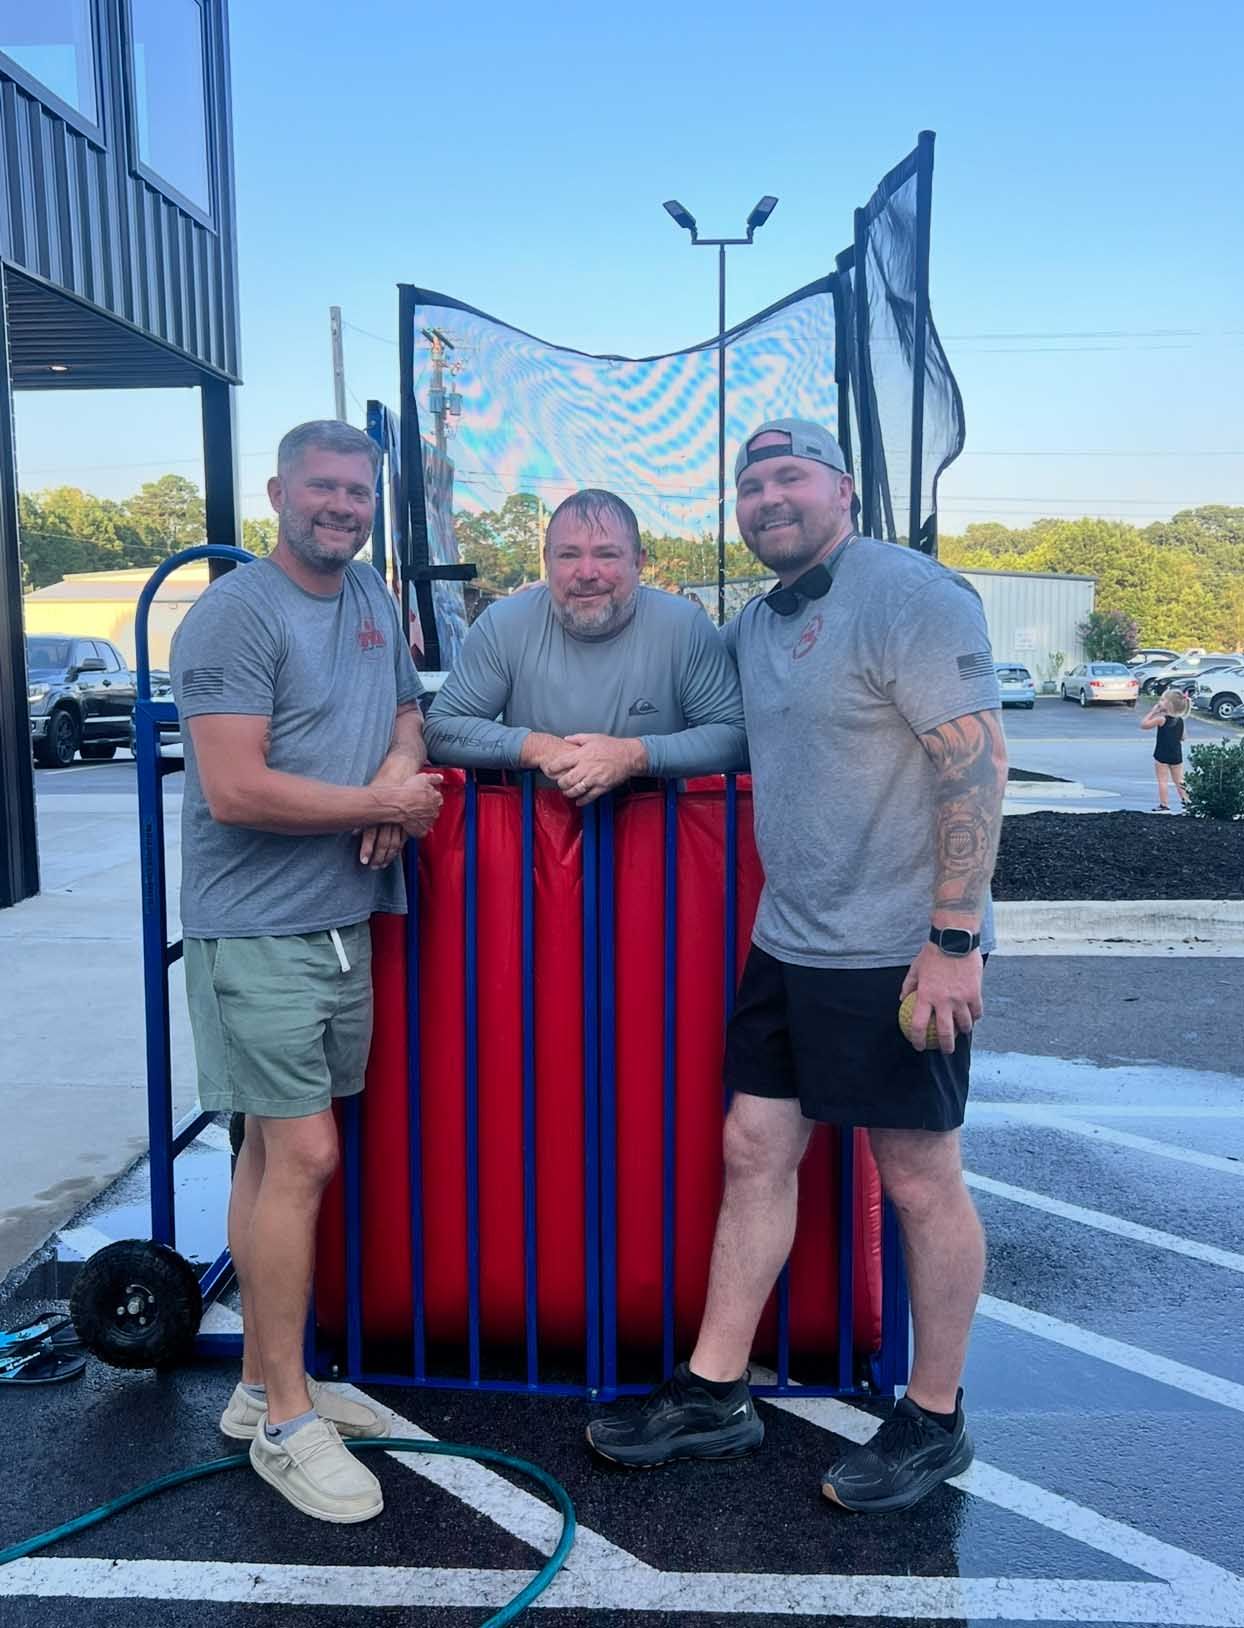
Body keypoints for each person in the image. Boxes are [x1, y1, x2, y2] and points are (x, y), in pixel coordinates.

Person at [587, 418, 1009, 1515]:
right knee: (754, 1147)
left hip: (898, 950)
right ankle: (715, 1391)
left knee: (919, 1174)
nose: (768, 496)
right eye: (751, 483)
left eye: (790, 476)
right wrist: (619, 749)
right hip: (792, 939)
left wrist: (954, 939)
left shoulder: (910, 594)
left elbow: (977, 761)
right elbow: (731, 737)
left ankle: (935, 1415)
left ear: (843, 488)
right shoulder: (758, 622)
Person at [171, 420, 444, 1524]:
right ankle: (289, 1420)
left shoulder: (371, 598)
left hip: (341, 920)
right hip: (257, 929)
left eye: (356, 490)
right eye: (322, 487)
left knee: (265, 1152)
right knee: (305, 1153)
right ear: (278, 491)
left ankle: (255, 1387)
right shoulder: (234, 614)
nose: (341, 505)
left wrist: (395, 764)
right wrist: (384, 805)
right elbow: (235, 788)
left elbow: (412, 714)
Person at [424, 489, 746, 799]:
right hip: (536, 843)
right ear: (547, 560)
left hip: (659, 843)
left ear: (639, 561)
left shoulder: (683, 626)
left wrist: (634, 756)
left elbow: (736, 736)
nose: (587, 572)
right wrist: (538, 748)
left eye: (607, 555)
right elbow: (441, 730)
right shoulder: (504, 624)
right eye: (568, 555)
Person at [1141, 687, 1191, 810]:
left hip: (1162, 755)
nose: (1159, 701)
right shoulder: (1180, 721)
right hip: (1176, 755)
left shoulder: (1161, 719)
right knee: (1179, 780)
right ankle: (1187, 801)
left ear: (1169, 704)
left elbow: (1144, 725)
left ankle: (1164, 804)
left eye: (1162, 700)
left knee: (1162, 780)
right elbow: (1184, 737)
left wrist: (1153, 712)